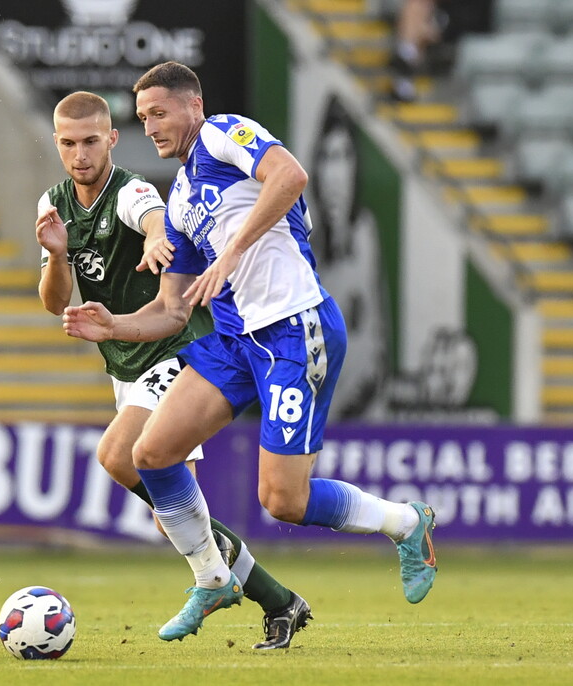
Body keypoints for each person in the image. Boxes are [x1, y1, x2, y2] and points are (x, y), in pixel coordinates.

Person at [62, 62, 438, 642]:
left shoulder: (224, 133)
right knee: (151, 453)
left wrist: (233, 251)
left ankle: (406, 523)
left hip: (295, 327)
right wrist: (112, 325)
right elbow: (174, 310)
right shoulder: (181, 197)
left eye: (159, 112)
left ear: (194, 105)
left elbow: (291, 175)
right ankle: (212, 577)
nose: (152, 126)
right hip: (237, 342)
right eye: (142, 118)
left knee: (283, 501)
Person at [36, 90, 312, 650]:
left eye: (91, 141)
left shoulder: (130, 190)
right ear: (57, 145)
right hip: (124, 365)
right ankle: (278, 601)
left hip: (168, 352)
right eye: (68, 143)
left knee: (118, 455)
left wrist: (160, 237)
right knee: (175, 522)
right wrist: (59, 257)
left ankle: (219, 583)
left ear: (112, 139)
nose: (80, 154)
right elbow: (53, 302)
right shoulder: (53, 201)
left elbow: (155, 217)